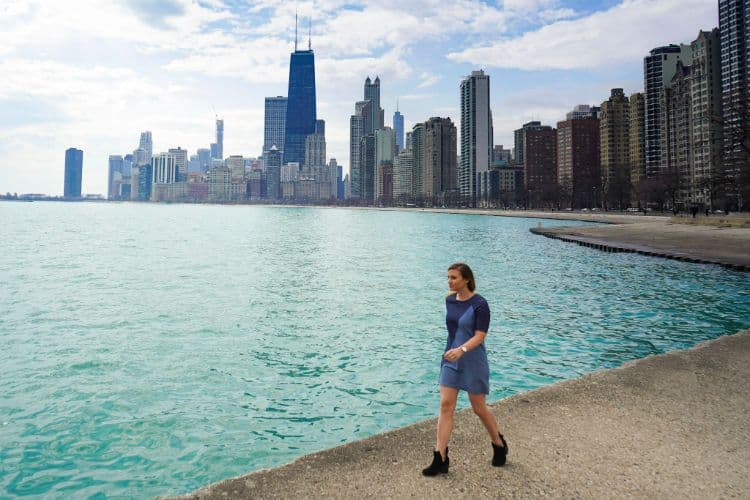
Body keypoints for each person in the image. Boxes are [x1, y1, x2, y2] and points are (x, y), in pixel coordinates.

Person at [422, 262, 508, 476]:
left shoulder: (480, 304)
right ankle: (440, 457)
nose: (449, 281)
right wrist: (453, 351)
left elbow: (480, 335)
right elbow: (453, 330)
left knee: (478, 408)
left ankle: (498, 443)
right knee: (445, 405)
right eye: (448, 277)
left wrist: (461, 349)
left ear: (466, 279)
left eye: (454, 277)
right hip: (451, 358)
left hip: (472, 359)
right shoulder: (449, 300)